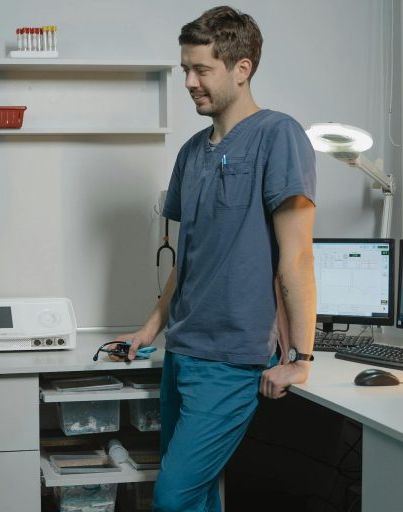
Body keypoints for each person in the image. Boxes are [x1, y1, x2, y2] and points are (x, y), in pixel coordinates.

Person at [114, 6, 317, 512]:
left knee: (172, 496)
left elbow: (297, 257)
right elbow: (190, 261)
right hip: (182, 352)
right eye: (185, 68)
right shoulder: (190, 153)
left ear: (241, 68)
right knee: (199, 493)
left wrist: (302, 360)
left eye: (201, 69)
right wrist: (148, 330)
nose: (188, 81)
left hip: (232, 358)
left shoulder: (278, 136)